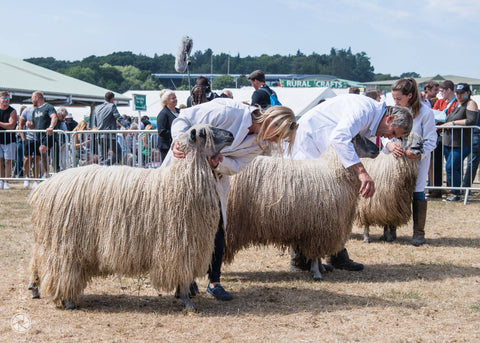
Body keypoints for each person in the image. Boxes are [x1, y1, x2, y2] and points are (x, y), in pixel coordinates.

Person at [163, 98, 298, 301]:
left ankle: (214, 282)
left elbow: (238, 165)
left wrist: (220, 162)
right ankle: (184, 277)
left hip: (213, 182)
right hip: (185, 171)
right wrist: (177, 141)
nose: (276, 141)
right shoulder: (227, 111)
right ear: (271, 121)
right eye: (278, 135)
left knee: (217, 228)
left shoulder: (260, 143)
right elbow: (184, 119)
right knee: (183, 227)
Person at [290, 94, 413, 269]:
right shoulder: (363, 111)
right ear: (390, 118)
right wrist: (362, 173)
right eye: (392, 132)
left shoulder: (371, 115)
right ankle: (302, 258)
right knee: (312, 204)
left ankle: (335, 253)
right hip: (310, 144)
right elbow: (340, 138)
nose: (388, 136)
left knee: (333, 205)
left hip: (324, 148)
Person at [389, 78, 437, 245]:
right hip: (396, 159)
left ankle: (418, 232)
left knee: (417, 191)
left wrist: (418, 153)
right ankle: (390, 228)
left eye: (398, 99)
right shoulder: (393, 111)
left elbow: (431, 139)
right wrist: (389, 145)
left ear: (409, 95)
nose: (395, 102)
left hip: (417, 161)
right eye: (394, 98)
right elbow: (382, 133)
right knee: (393, 190)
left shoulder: (426, 113)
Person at [440, 83, 479, 202]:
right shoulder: (457, 104)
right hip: (449, 141)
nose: (459, 95)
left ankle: (455, 192)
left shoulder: (470, 103)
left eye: (462, 93)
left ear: (468, 93)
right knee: (453, 168)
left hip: (461, 142)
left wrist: (453, 124)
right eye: (457, 93)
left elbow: (471, 121)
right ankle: (454, 192)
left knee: (450, 167)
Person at [428, 80, 458, 199]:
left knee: (451, 164)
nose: (440, 94)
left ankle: (452, 189)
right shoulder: (439, 102)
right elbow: (434, 115)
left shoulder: (457, 103)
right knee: (435, 163)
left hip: (451, 137)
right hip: (438, 136)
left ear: (449, 90)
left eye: (442, 91)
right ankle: (436, 189)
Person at [93, 92, 130, 165]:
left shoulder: (97, 108)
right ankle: (104, 163)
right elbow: (119, 118)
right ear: (112, 99)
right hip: (110, 135)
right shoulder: (112, 106)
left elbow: (95, 122)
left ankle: (102, 166)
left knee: (102, 157)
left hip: (99, 135)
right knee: (120, 154)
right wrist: (127, 126)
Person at [31, 91, 57, 178]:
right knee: (40, 152)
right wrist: (29, 125)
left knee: (42, 149)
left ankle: (46, 173)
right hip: (38, 136)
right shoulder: (35, 111)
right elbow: (33, 125)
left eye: (32, 98)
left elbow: (54, 117)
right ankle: (45, 172)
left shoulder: (48, 107)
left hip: (47, 134)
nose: (32, 100)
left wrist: (51, 127)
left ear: (37, 98)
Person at [19, 105, 40, 189]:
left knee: (37, 159)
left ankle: (35, 180)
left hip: (38, 138)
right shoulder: (27, 110)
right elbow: (20, 124)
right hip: (28, 139)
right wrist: (23, 138)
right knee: (27, 159)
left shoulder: (43, 109)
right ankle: (27, 177)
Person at [0, 92, 18, 190]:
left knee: (8, 161)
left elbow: (11, 125)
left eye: (7, 98)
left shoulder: (12, 111)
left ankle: (6, 181)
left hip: (9, 140)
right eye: (4, 98)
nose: (6, 100)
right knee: (0, 161)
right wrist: (5, 124)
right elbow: (8, 124)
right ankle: (1, 180)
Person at [156, 89, 179, 163]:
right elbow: (161, 131)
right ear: (166, 101)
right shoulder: (163, 114)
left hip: (177, 145)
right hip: (166, 146)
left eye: (175, 97)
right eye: (173, 98)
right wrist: (175, 134)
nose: (175, 99)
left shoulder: (180, 111)